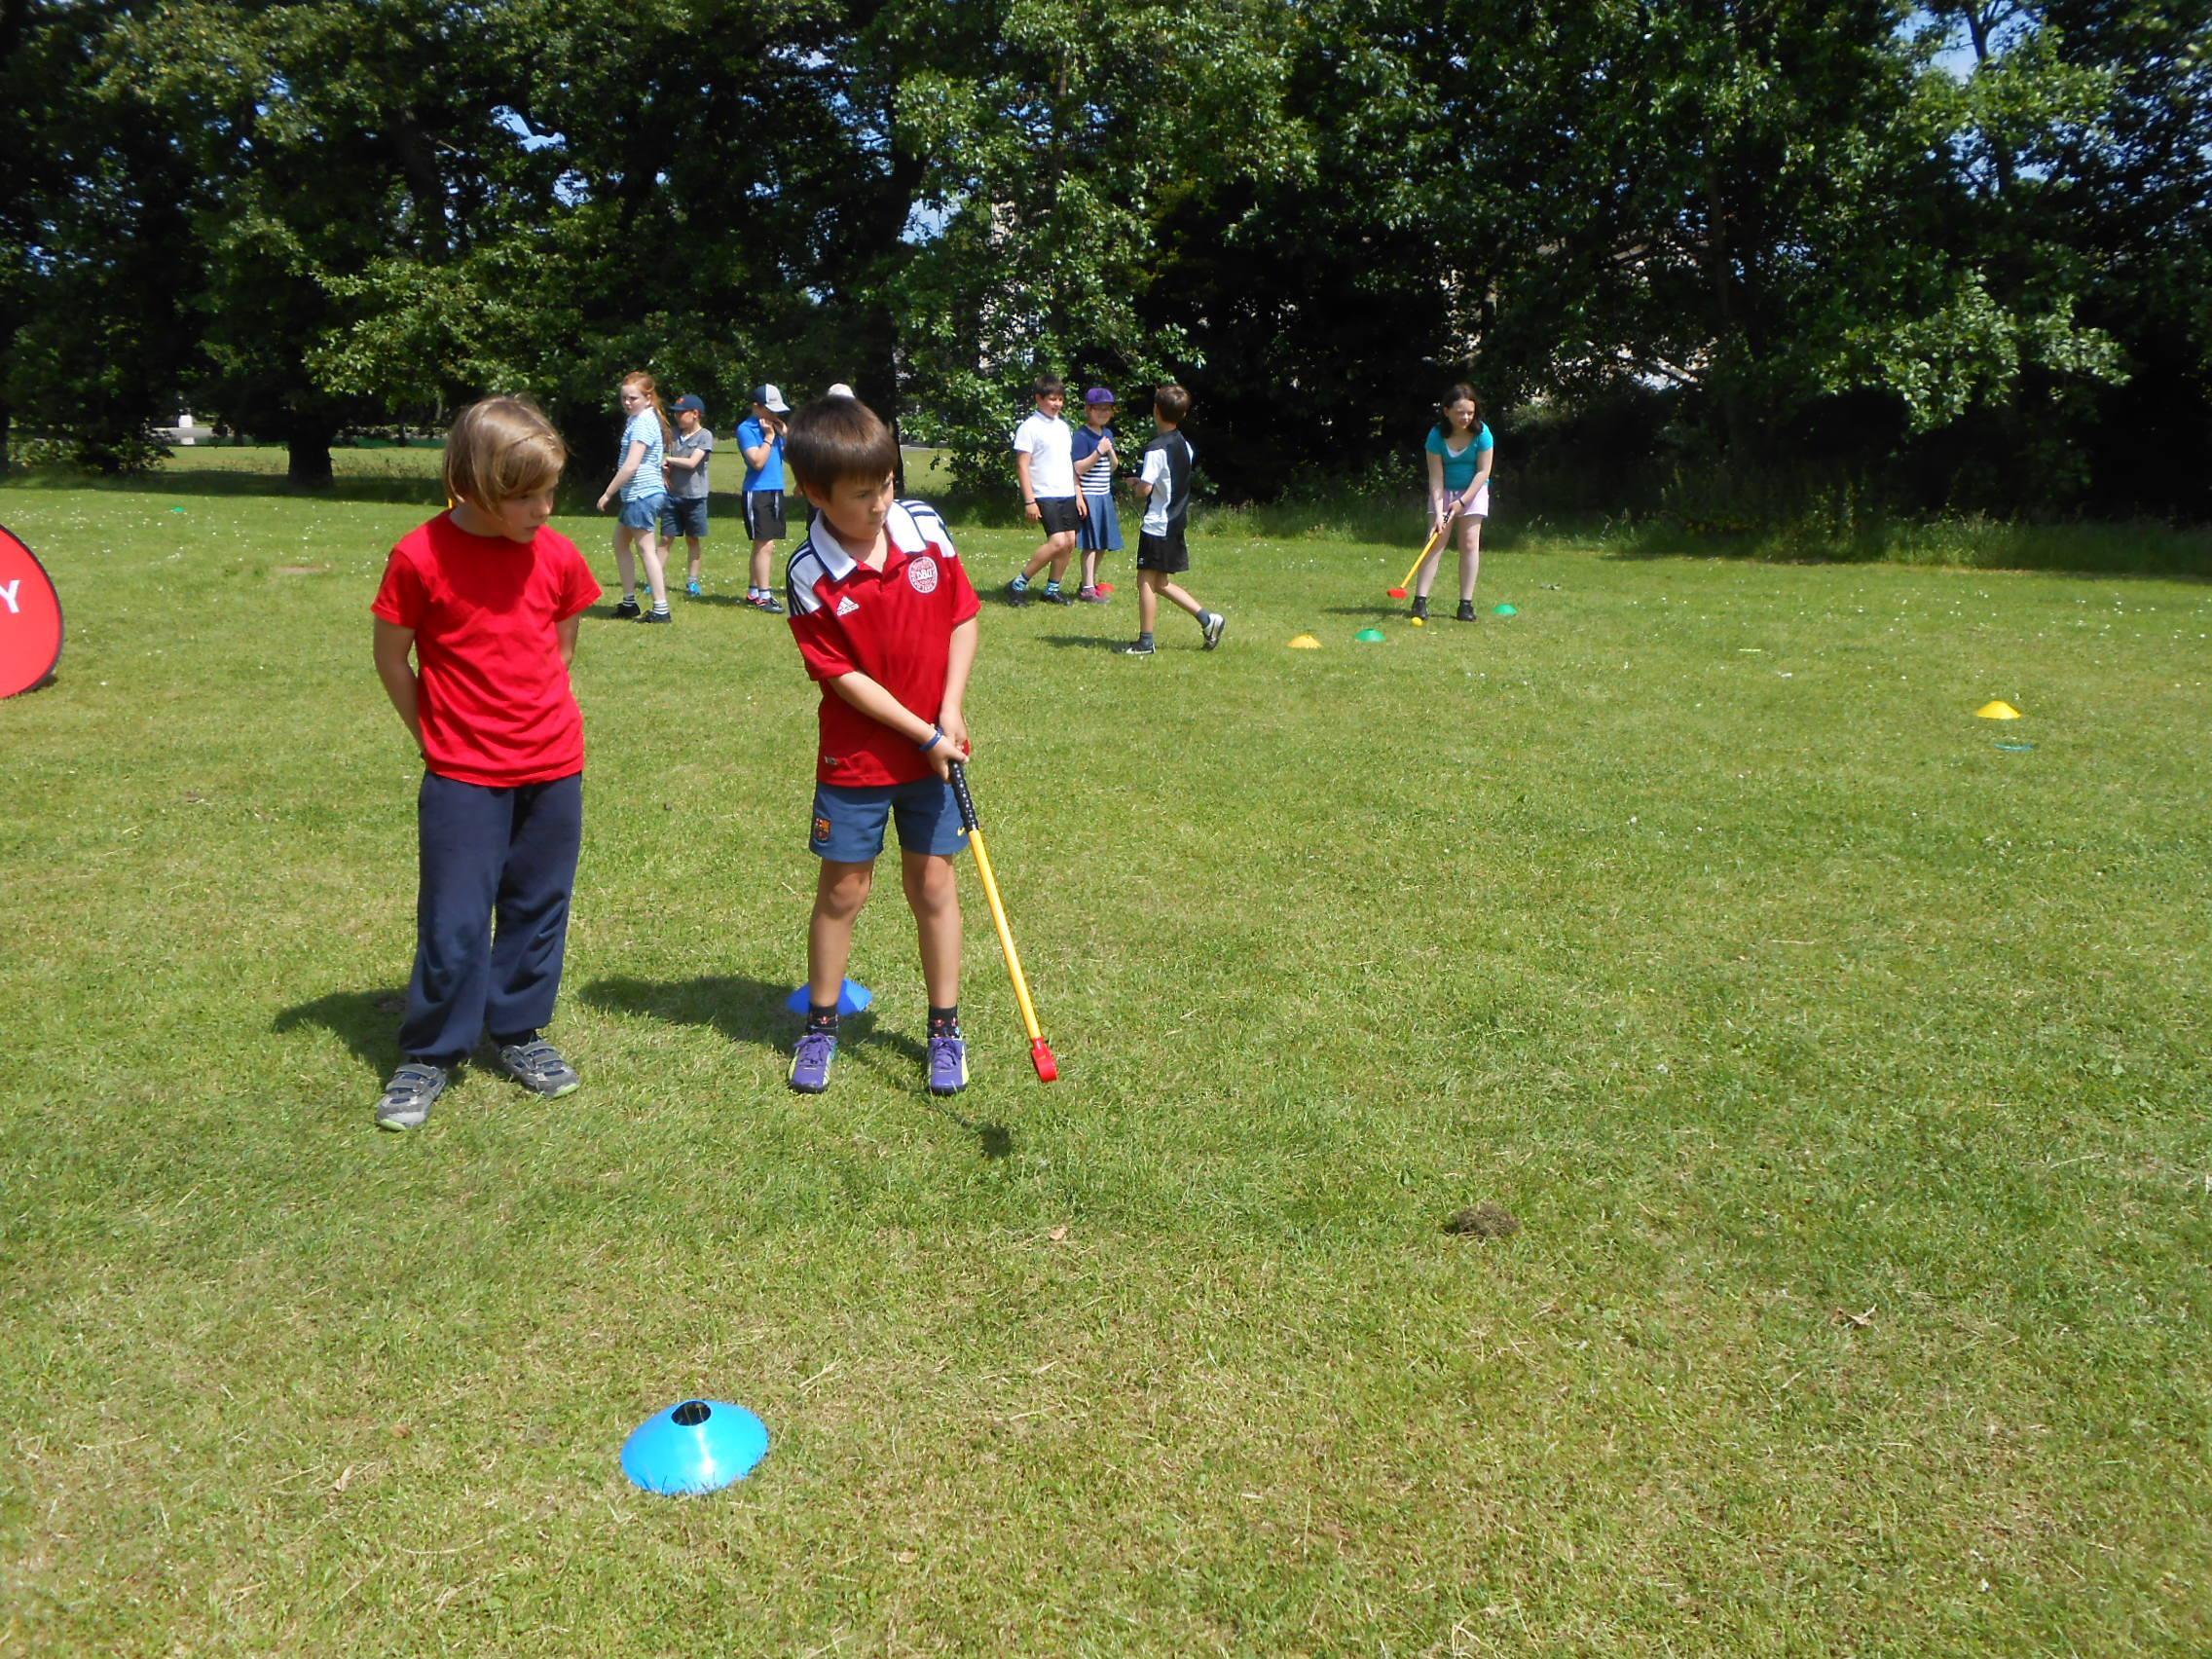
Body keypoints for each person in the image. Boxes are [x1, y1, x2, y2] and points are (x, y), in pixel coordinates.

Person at [368, 397, 602, 1131]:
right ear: (473, 485)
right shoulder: (419, 556)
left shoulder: (558, 555)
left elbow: (560, 649)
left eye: (550, 492)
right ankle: (431, 1052)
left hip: (553, 764)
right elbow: (392, 658)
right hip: (463, 773)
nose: (544, 509)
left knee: (538, 904)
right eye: (526, 496)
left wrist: (533, 724)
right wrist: (432, 735)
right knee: (455, 918)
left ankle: (520, 1029)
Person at [781, 394, 980, 1097]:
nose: (881, 503)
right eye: (863, 494)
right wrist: (922, 732)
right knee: (844, 890)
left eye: (888, 484)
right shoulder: (809, 571)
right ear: (816, 493)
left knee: (934, 885)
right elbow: (844, 680)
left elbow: (962, 617)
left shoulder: (924, 527)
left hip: (936, 753)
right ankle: (820, 1026)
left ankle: (945, 1029)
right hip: (860, 760)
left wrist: (948, 712)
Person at [1118, 384, 1225, 656]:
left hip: (1158, 524)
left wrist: (1136, 485)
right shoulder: (1184, 445)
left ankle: (1145, 642)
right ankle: (1208, 620)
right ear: (1183, 414)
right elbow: (1169, 480)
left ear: (1156, 410)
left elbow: (1146, 490)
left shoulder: (1156, 449)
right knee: (1160, 583)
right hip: (1175, 522)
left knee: (1145, 581)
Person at [596, 370, 674, 622]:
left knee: (646, 549)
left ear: (648, 398)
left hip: (643, 494)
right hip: (635, 495)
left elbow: (631, 465)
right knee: (620, 543)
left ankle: (661, 608)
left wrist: (608, 493)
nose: (627, 403)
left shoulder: (642, 422)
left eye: (633, 398)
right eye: (624, 398)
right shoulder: (638, 419)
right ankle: (629, 602)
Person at [1418, 383, 1494, 622]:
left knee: (1470, 543)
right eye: (1460, 412)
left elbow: (1483, 472)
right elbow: (1436, 476)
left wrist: (1462, 501)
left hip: (1474, 491)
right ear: (1447, 411)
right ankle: (1420, 600)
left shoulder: (1483, 434)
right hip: (1443, 491)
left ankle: (1465, 605)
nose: (1465, 417)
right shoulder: (1436, 436)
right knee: (1435, 541)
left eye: (1470, 412)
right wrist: (1439, 511)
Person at [1005, 374, 1084, 606]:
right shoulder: (1029, 427)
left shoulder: (1063, 427)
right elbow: (1022, 465)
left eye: (1060, 399)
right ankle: (1017, 584)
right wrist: (1029, 500)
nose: (1057, 404)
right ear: (1039, 399)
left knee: (1069, 541)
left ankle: (1052, 589)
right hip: (1044, 492)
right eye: (1052, 399)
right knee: (1057, 541)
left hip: (1066, 492)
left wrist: (1078, 493)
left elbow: (1068, 463)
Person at [737, 384, 791, 614]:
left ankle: (754, 591)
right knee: (765, 544)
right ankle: (765, 596)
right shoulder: (746, 429)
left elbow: (790, 458)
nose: (774, 414)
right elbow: (757, 462)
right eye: (769, 409)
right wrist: (768, 438)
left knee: (764, 544)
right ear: (756, 407)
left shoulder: (775, 427)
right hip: (757, 491)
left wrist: (785, 436)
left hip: (775, 489)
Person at [1070, 386, 1123, 603]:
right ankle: (1087, 589)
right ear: (1088, 409)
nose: (1103, 413)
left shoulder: (1107, 434)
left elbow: (1112, 467)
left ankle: (1088, 582)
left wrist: (1109, 453)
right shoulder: (1082, 436)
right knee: (1090, 544)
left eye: (1107, 409)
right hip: (1089, 497)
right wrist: (1098, 451)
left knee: (1102, 544)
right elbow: (1078, 468)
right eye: (1098, 408)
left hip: (1104, 496)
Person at [660, 393, 714, 597]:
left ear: (695, 414)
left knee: (692, 539)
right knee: (665, 538)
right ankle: (655, 578)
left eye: (681, 413)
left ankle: (692, 582)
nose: (677, 417)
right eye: (675, 413)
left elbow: (692, 463)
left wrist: (669, 460)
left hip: (695, 497)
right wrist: (664, 471)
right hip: (672, 496)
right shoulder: (673, 434)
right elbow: (662, 458)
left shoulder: (704, 436)